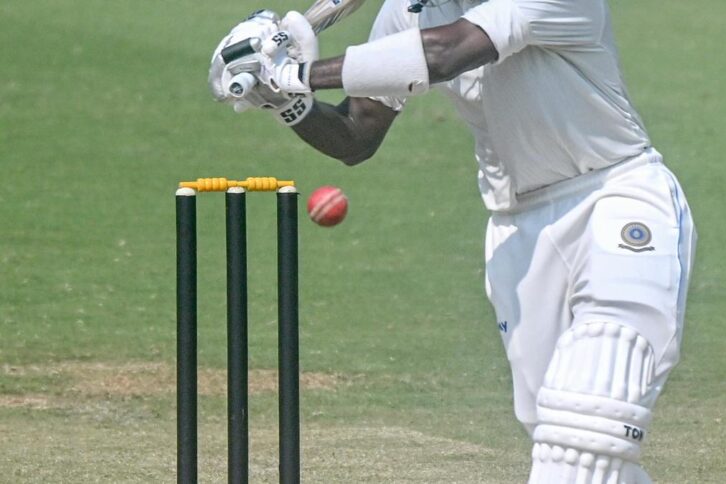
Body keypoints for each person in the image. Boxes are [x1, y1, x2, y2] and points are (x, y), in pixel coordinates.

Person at [208, 1, 696, 481]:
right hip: (518, 232)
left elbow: (447, 52)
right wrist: (285, 102)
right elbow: (356, 135)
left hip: (613, 199)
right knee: (569, 446)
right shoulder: (409, 10)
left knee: (587, 425)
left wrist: (292, 73)